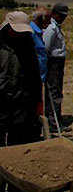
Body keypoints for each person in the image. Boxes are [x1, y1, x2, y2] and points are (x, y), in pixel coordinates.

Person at [0, 12, 43, 145]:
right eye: (17, 31)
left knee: (18, 140)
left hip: (20, 102)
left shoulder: (27, 45)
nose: (20, 35)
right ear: (8, 27)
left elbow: (35, 76)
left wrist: (38, 102)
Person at [42, 3, 69, 132]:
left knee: (56, 91)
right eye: (61, 15)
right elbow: (45, 47)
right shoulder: (52, 28)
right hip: (53, 63)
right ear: (54, 14)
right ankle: (54, 122)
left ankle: (54, 118)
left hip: (57, 63)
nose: (63, 18)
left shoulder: (56, 27)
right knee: (54, 92)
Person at [30, 7, 50, 83]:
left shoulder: (39, 32)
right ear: (41, 19)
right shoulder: (31, 32)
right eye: (48, 19)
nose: (50, 23)